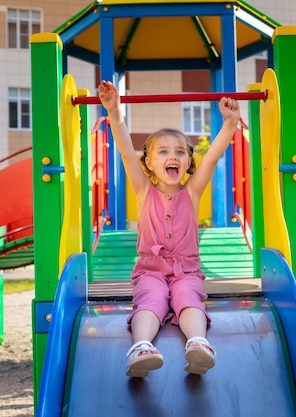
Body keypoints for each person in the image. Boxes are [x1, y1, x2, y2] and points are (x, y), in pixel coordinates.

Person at [98, 80, 241, 378]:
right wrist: (114, 111)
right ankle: (141, 347)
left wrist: (230, 123)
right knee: (150, 299)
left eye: (179, 152)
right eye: (162, 152)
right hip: (150, 272)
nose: (172, 156)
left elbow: (213, 156)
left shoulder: (192, 192)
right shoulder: (142, 190)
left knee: (189, 298)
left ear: (189, 162)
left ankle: (199, 343)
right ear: (148, 163)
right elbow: (125, 152)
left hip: (186, 272)